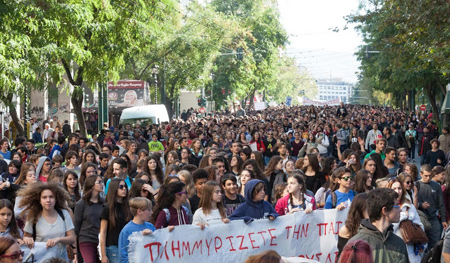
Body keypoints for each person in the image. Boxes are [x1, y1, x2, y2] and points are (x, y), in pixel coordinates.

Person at [348, 188, 409, 262]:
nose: (400, 210)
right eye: (396, 206)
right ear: (385, 210)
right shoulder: (356, 244)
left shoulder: (399, 243)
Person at [20, 183, 76, 261]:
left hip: (61, 259)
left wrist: (58, 239)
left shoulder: (64, 214)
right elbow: (26, 236)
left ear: (56, 199)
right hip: (40, 259)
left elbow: (72, 238)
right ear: (39, 200)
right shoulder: (33, 216)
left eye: (51, 197)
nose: (48, 200)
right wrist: (27, 239)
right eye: (44, 197)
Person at [388, 178, 425, 262]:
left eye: (399, 188)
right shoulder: (386, 208)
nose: (397, 191)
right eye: (394, 188)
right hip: (394, 249)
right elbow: (389, 227)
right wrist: (403, 216)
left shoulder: (409, 206)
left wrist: (422, 244)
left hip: (411, 249)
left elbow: (419, 225)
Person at [99, 178, 131, 263]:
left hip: (127, 246)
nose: (124, 189)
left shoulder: (128, 207)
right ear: (114, 189)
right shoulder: (107, 208)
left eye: (125, 186)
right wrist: (103, 255)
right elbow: (103, 232)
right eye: (121, 187)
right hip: (113, 247)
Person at [74, 175, 105, 263]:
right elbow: (76, 227)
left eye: (102, 182)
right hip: (86, 239)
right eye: (99, 182)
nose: (102, 184)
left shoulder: (104, 203)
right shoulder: (81, 204)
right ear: (91, 185)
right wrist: (75, 252)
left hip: (101, 240)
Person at [416, 164, 447, 248]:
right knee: (421, 246)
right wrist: (420, 205)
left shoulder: (436, 186)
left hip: (433, 219)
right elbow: (411, 203)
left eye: (430, 176)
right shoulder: (416, 185)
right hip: (420, 220)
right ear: (421, 174)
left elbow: (441, 204)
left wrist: (444, 219)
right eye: (426, 176)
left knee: (435, 246)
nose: (428, 178)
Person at [118, 197, 155, 263]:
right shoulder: (126, 230)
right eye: (149, 210)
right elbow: (123, 256)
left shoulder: (151, 226)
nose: (151, 212)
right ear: (139, 211)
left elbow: (159, 245)